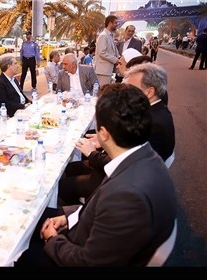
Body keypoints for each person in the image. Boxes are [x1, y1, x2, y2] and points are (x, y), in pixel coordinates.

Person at [15, 83, 177, 266]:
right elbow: (99, 208)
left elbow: (88, 262)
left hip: (76, 251)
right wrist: (68, 217)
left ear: (104, 134)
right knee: (24, 219)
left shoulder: (127, 195)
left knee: (16, 246)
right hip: (87, 229)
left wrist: (52, 240)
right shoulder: (142, 156)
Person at [59, 63, 174, 205]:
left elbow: (125, 162)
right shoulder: (153, 110)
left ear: (149, 92)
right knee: (71, 167)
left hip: (119, 174)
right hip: (127, 169)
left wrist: (93, 153)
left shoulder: (152, 122)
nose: (125, 91)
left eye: (131, 88)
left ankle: (80, 204)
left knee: (64, 185)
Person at [94, 15, 120, 87]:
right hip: (103, 71)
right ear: (110, 23)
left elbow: (113, 51)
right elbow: (102, 52)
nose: (117, 25)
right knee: (103, 92)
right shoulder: (103, 35)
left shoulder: (110, 36)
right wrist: (116, 60)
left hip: (107, 71)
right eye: (115, 23)